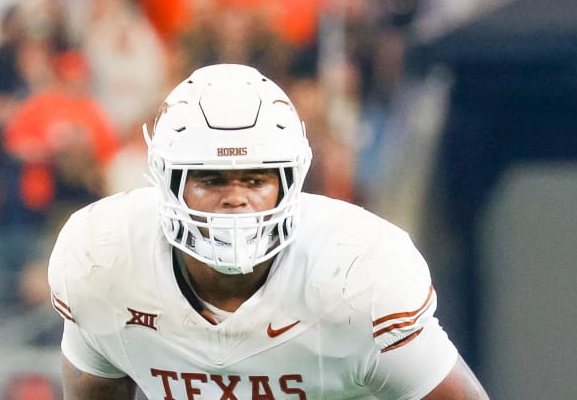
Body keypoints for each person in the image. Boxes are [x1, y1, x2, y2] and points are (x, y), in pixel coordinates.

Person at [48, 63, 489, 399]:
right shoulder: (105, 259)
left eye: (255, 180)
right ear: (169, 182)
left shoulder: (355, 273)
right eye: (212, 180)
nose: (236, 198)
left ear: (289, 181)